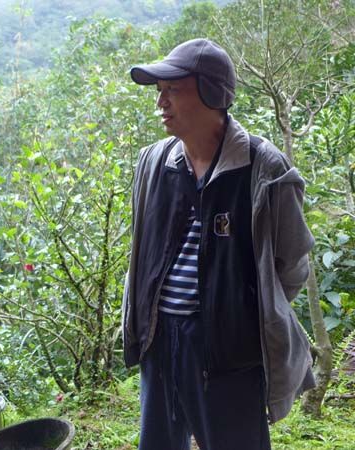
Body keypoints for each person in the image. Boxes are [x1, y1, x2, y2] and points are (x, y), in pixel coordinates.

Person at [123, 38, 315, 450]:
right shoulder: (154, 162)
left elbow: (292, 264)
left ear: (211, 93)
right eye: (159, 90)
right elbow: (143, 252)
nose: (161, 102)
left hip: (229, 352)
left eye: (172, 90)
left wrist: (243, 314)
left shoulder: (262, 167)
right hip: (160, 339)